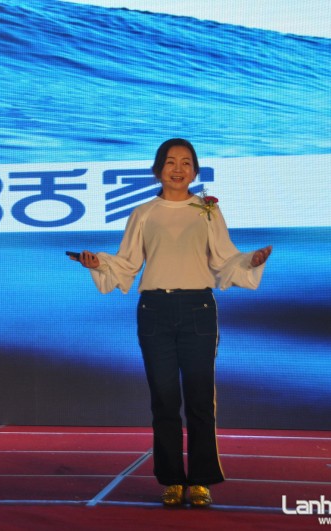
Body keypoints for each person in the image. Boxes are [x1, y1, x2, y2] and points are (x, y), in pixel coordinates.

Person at [71, 138, 272, 507]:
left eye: (185, 162)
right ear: (157, 169)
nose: (178, 169)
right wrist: (99, 264)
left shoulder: (207, 211)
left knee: (200, 399)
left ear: (195, 171)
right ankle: (172, 480)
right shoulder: (143, 213)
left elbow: (224, 260)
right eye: (170, 162)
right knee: (163, 400)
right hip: (154, 310)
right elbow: (128, 263)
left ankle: (201, 480)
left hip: (198, 308)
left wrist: (250, 261)